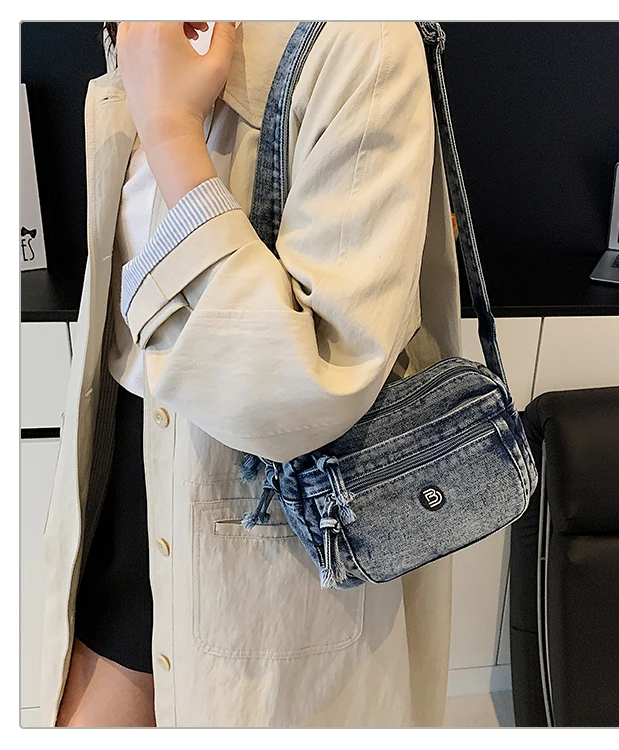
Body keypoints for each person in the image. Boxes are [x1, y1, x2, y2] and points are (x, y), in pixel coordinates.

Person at [40, 20, 463, 728]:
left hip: (268, 526)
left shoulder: (361, 41)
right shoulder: (144, 25)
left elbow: (305, 385)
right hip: (127, 483)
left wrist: (171, 132)